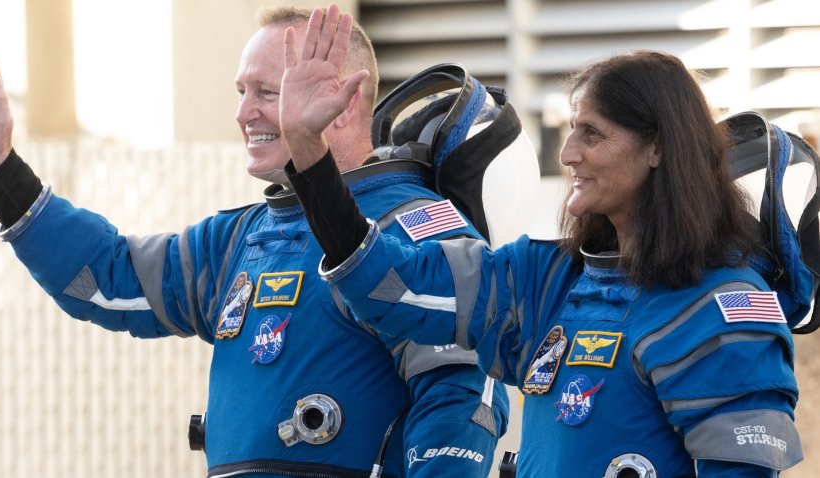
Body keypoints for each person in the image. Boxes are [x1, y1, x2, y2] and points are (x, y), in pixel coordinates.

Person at [0, 5, 509, 478]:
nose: (243, 112)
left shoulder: (412, 226)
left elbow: (463, 398)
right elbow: (105, 278)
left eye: (267, 93)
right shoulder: (240, 239)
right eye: (241, 92)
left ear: (342, 105)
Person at [279, 9, 805, 477]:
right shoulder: (548, 279)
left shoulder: (722, 308)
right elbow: (393, 287)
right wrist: (309, 152)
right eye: (571, 130)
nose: (569, 153)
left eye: (591, 134)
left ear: (658, 149)